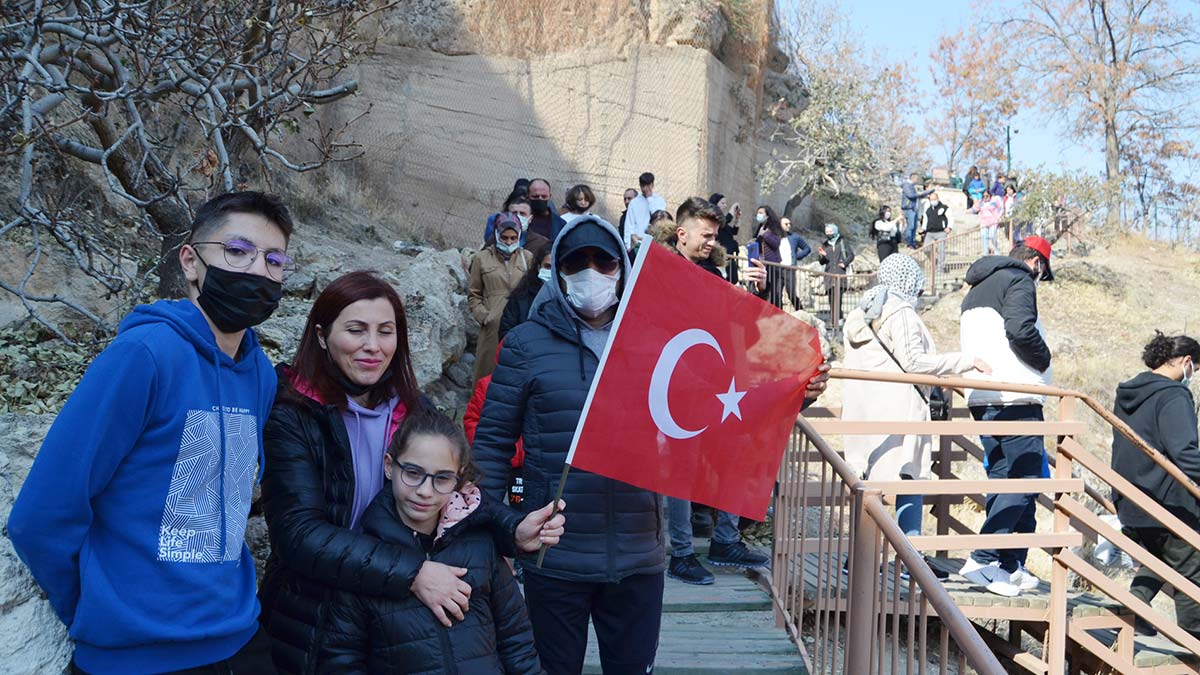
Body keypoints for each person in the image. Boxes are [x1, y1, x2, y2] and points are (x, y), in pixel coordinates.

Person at [8, 191, 293, 674]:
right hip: (137, 656)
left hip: (240, 639)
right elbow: (43, 515)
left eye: (274, 260)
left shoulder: (260, 373)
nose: (256, 271)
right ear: (191, 260)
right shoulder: (143, 355)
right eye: (237, 252)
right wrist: (99, 612)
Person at [257, 271, 565, 673]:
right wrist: (414, 572)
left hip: (396, 611)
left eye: (386, 332)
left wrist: (512, 528)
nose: (372, 346)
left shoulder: (410, 408)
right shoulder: (294, 415)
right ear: (321, 336)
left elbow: (458, 485)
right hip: (316, 612)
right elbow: (299, 535)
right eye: (355, 330)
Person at [472, 215, 663, 674]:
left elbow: (710, 407)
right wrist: (498, 528)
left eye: (605, 261)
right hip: (554, 557)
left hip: (639, 555)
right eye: (578, 261)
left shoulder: (655, 342)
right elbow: (492, 445)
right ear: (557, 270)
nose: (592, 272)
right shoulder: (524, 345)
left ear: (623, 268)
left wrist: (798, 391)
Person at [319, 411, 544, 673]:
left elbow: (518, 643)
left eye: (442, 478)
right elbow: (341, 660)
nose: (425, 491)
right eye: (413, 473)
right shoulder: (366, 558)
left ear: (458, 478)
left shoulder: (481, 544)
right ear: (389, 465)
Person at [843, 254, 990, 567]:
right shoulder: (901, 313)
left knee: (875, 485)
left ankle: (863, 557)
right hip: (900, 409)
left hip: (868, 408)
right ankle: (907, 561)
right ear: (910, 281)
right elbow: (915, 363)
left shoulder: (861, 314)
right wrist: (965, 360)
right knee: (909, 478)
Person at [664, 198, 773, 586]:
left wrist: (757, 295)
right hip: (675, 385)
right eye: (706, 235)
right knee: (681, 470)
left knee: (736, 455)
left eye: (715, 235)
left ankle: (725, 540)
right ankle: (680, 553)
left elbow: (741, 330)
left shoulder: (716, 273)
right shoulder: (659, 270)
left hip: (718, 384)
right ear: (683, 233)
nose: (712, 241)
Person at [957, 236, 1055, 598]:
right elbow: (1020, 330)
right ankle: (984, 559)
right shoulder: (1019, 280)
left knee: (1003, 478)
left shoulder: (976, 288)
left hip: (982, 396)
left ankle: (1008, 563)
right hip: (1015, 396)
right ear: (1036, 263)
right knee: (1025, 479)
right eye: (1043, 272)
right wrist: (1044, 361)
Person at [1112, 332, 1200, 638]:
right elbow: (1185, 453)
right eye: (1196, 370)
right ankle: (1193, 646)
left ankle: (1131, 611)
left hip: (1130, 497)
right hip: (1166, 499)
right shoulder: (1173, 395)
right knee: (1192, 569)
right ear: (1187, 362)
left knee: (1158, 557)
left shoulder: (1129, 391)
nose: (1193, 377)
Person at [469, 213, 533, 383]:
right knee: (486, 373)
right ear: (497, 235)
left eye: (513, 238)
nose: (509, 242)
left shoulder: (527, 258)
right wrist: (485, 317)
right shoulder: (481, 258)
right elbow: (474, 294)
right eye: (504, 238)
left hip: (520, 324)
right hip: (492, 327)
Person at [499, 244, 552, 341]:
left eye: (555, 268)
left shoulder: (570, 300)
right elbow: (505, 332)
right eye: (547, 267)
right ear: (539, 267)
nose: (551, 272)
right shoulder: (521, 297)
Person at [817, 223, 855, 326]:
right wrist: (823, 256)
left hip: (840, 275)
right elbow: (822, 262)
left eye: (830, 231)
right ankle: (835, 321)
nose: (829, 233)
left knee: (838, 299)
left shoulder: (842, 242)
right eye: (827, 232)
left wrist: (844, 263)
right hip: (829, 275)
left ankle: (838, 321)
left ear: (835, 230)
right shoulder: (825, 244)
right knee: (831, 299)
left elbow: (851, 255)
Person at [623, 171, 668, 250]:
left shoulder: (660, 201)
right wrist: (628, 246)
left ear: (652, 185)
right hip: (637, 244)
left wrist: (649, 198)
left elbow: (658, 218)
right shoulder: (634, 203)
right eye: (643, 186)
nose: (646, 188)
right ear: (640, 186)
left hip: (654, 243)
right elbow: (629, 226)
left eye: (648, 185)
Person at [484, 179, 531, 245]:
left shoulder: (533, 237)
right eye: (514, 212)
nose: (518, 216)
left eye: (522, 213)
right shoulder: (495, 218)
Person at [756, 205, 786, 307]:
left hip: (772, 264)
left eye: (761, 213)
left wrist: (765, 235)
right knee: (762, 289)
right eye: (758, 213)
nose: (758, 215)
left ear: (768, 216)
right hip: (762, 263)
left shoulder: (773, 228)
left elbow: (776, 243)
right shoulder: (761, 227)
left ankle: (777, 313)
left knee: (774, 291)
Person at [709, 192, 742, 283]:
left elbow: (734, 231)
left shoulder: (724, 221)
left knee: (733, 279)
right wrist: (733, 207)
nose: (725, 205)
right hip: (721, 255)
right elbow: (727, 219)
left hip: (730, 255)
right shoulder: (714, 218)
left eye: (725, 203)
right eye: (722, 203)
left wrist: (738, 219)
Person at [781, 216, 811, 310]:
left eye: (790, 224)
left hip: (790, 268)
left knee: (791, 293)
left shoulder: (795, 237)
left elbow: (807, 248)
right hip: (777, 268)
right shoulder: (775, 237)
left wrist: (796, 256)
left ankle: (801, 312)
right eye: (786, 224)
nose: (789, 225)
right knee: (776, 293)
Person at [527, 178, 566, 244]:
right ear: (527, 196)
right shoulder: (520, 220)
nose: (540, 199)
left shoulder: (560, 224)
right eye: (535, 196)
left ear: (549, 196)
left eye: (544, 196)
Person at [922, 191, 954, 273]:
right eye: (931, 199)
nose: (933, 201)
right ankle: (935, 261)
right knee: (926, 249)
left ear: (938, 199)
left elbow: (950, 217)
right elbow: (925, 220)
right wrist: (923, 229)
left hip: (941, 232)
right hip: (930, 232)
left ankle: (941, 268)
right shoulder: (928, 210)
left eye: (934, 199)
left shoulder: (944, 208)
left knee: (941, 250)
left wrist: (949, 227)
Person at [901, 173, 935, 248]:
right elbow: (911, 195)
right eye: (917, 179)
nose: (917, 181)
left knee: (914, 227)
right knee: (910, 227)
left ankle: (912, 243)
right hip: (909, 208)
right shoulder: (907, 185)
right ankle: (909, 243)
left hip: (914, 209)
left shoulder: (913, 186)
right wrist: (920, 194)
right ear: (913, 178)